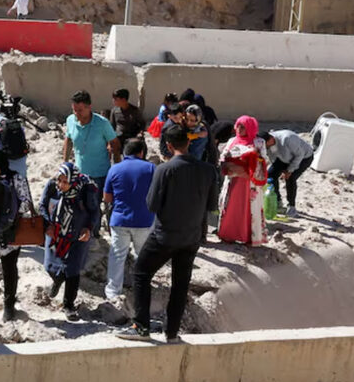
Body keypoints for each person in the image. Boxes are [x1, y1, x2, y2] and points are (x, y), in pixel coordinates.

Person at [117, 124, 218, 343]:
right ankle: (172, 333)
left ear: (169, 146)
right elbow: (211, 206)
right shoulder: (208, 170)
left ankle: (141, 326)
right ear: (189, 142)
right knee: (180, 286)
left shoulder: (164, 169)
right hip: (191, 238)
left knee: (141, 273)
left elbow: (151, 204)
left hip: (165, 236)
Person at [40, 162, 100, 320]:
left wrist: (88, 228)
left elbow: (94, 211)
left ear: (73, 181)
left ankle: (69, 305)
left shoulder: (85, 190)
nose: (61, 185)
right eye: (60, 180)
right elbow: (42, 205)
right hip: (55, 233)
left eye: (65, 182)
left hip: (77, 234)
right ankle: (58, 278)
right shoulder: (53, 186)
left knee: (73, 270)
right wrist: (48, 223)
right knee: (49, 266)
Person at [0, 148, 33, 321]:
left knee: (9, 268)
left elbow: (26, 201)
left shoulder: (17, 177)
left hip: (11, 230)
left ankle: (9, 306)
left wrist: (9, 214)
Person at [102, 139, 155, 300]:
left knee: (117, 256)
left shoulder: (114, 169)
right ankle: (142, 287)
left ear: (125, 152)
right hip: (144, 220)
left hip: (120, 220)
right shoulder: (152, 168)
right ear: (141, 152)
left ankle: (113, 292)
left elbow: (107, 197)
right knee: (143, 256)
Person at [63, 90, 120, 212]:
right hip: (79, 174)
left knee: (95, 208)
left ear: (89, 107)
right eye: (74, 110)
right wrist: (65, 163)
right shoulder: (70, 120)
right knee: (82, 208)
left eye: (80, 110)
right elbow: (68, 140)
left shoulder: (102, 123)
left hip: (99, 175)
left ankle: (96, 230)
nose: (76, 113)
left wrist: (117, 167)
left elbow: (115, 143)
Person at [217, 116, 268, 246]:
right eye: (238, 126)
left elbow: (264, 160)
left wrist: (252, 156)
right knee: (231, 207)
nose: (239, 129)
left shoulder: (259, 142)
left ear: (250, 128)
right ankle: (228, 235)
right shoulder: (232, 141)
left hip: (249, 182)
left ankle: (248, 237)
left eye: (243, 126)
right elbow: (223, 156)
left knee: (249, 209)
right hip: (233, 180)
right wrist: (229, 161)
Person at [260, 129, 314, 217]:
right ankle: (278, 202)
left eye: (264, 145)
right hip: (283, 157)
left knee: (290, 178)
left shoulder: (287, 138)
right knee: (270, 175)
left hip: (303, 157)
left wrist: (289, 170)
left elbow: (299, 154)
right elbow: (272, 157)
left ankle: (291, 206)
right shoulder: (268, 145)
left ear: (270, 140)